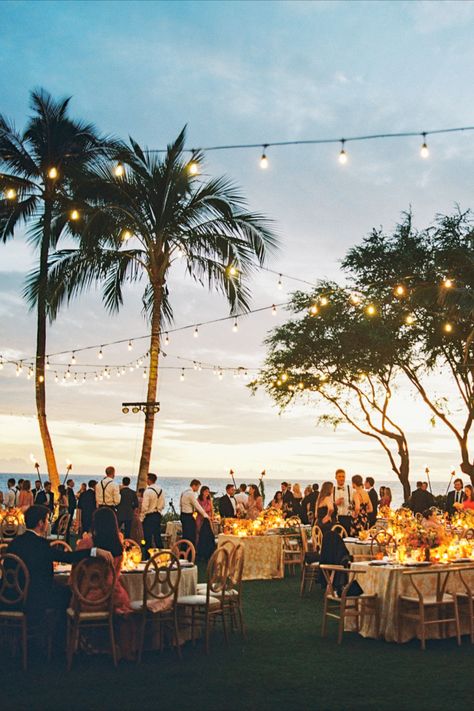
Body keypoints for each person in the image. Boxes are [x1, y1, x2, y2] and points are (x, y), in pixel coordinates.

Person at [5, 505, 113, 619]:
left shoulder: (14, 543)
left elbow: (8, 566)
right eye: (47, 520)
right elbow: (68, 557)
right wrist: (94, 551)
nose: (48, 524)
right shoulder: (41, 545)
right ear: (40, 523)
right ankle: (59, 635)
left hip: (11, 597)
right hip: (35, 601)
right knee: (68, 594)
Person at [76, 507, 131, 614]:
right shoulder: (118, 546)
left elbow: (76, 572)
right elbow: (116, 574)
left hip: (87, 598)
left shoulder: (87, 543)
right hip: (112, 598)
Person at [140, 473, 165, 556]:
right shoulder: (161, 490)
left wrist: (141, 517)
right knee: (157, 536)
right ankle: (162, 554)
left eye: (147, 479)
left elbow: (144, 507)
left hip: (149, 516)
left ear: (149, 480)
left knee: (148, 538)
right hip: (157, 515)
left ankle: (148, 557)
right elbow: (163, 504)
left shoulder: (147, 491)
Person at [180, 479, 209, 547]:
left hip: (183, 515)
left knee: (185, 535)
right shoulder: (191, 494)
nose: (198, 489)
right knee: (191, 536)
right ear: (194, 485)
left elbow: (180, 504)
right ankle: (190, 553)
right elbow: (197, 506)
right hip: (188, 516)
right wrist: (205, 515)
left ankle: (184, 552)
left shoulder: (184, 492)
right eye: (198, 487)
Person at [196, 486, 215, 561]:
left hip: (208, 520)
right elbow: (198, 509)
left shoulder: (209, 500)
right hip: (201, 519)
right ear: (202, 492)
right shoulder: (199, 500)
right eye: (206, 491)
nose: (207, 493)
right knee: (200, 535)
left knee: (209, 536)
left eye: (208, 491)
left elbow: (211, 510)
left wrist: (212, 517)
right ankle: (200, 553)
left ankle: (208, 553)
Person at [333, 469, 352, 535]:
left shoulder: (350, 489)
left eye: (343, 476)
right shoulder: (332, 489)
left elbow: (354, 503)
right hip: (335, 519)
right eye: (339, 476)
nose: (341, 478)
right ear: (335, 477)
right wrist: (335, 503)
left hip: (348, 519)